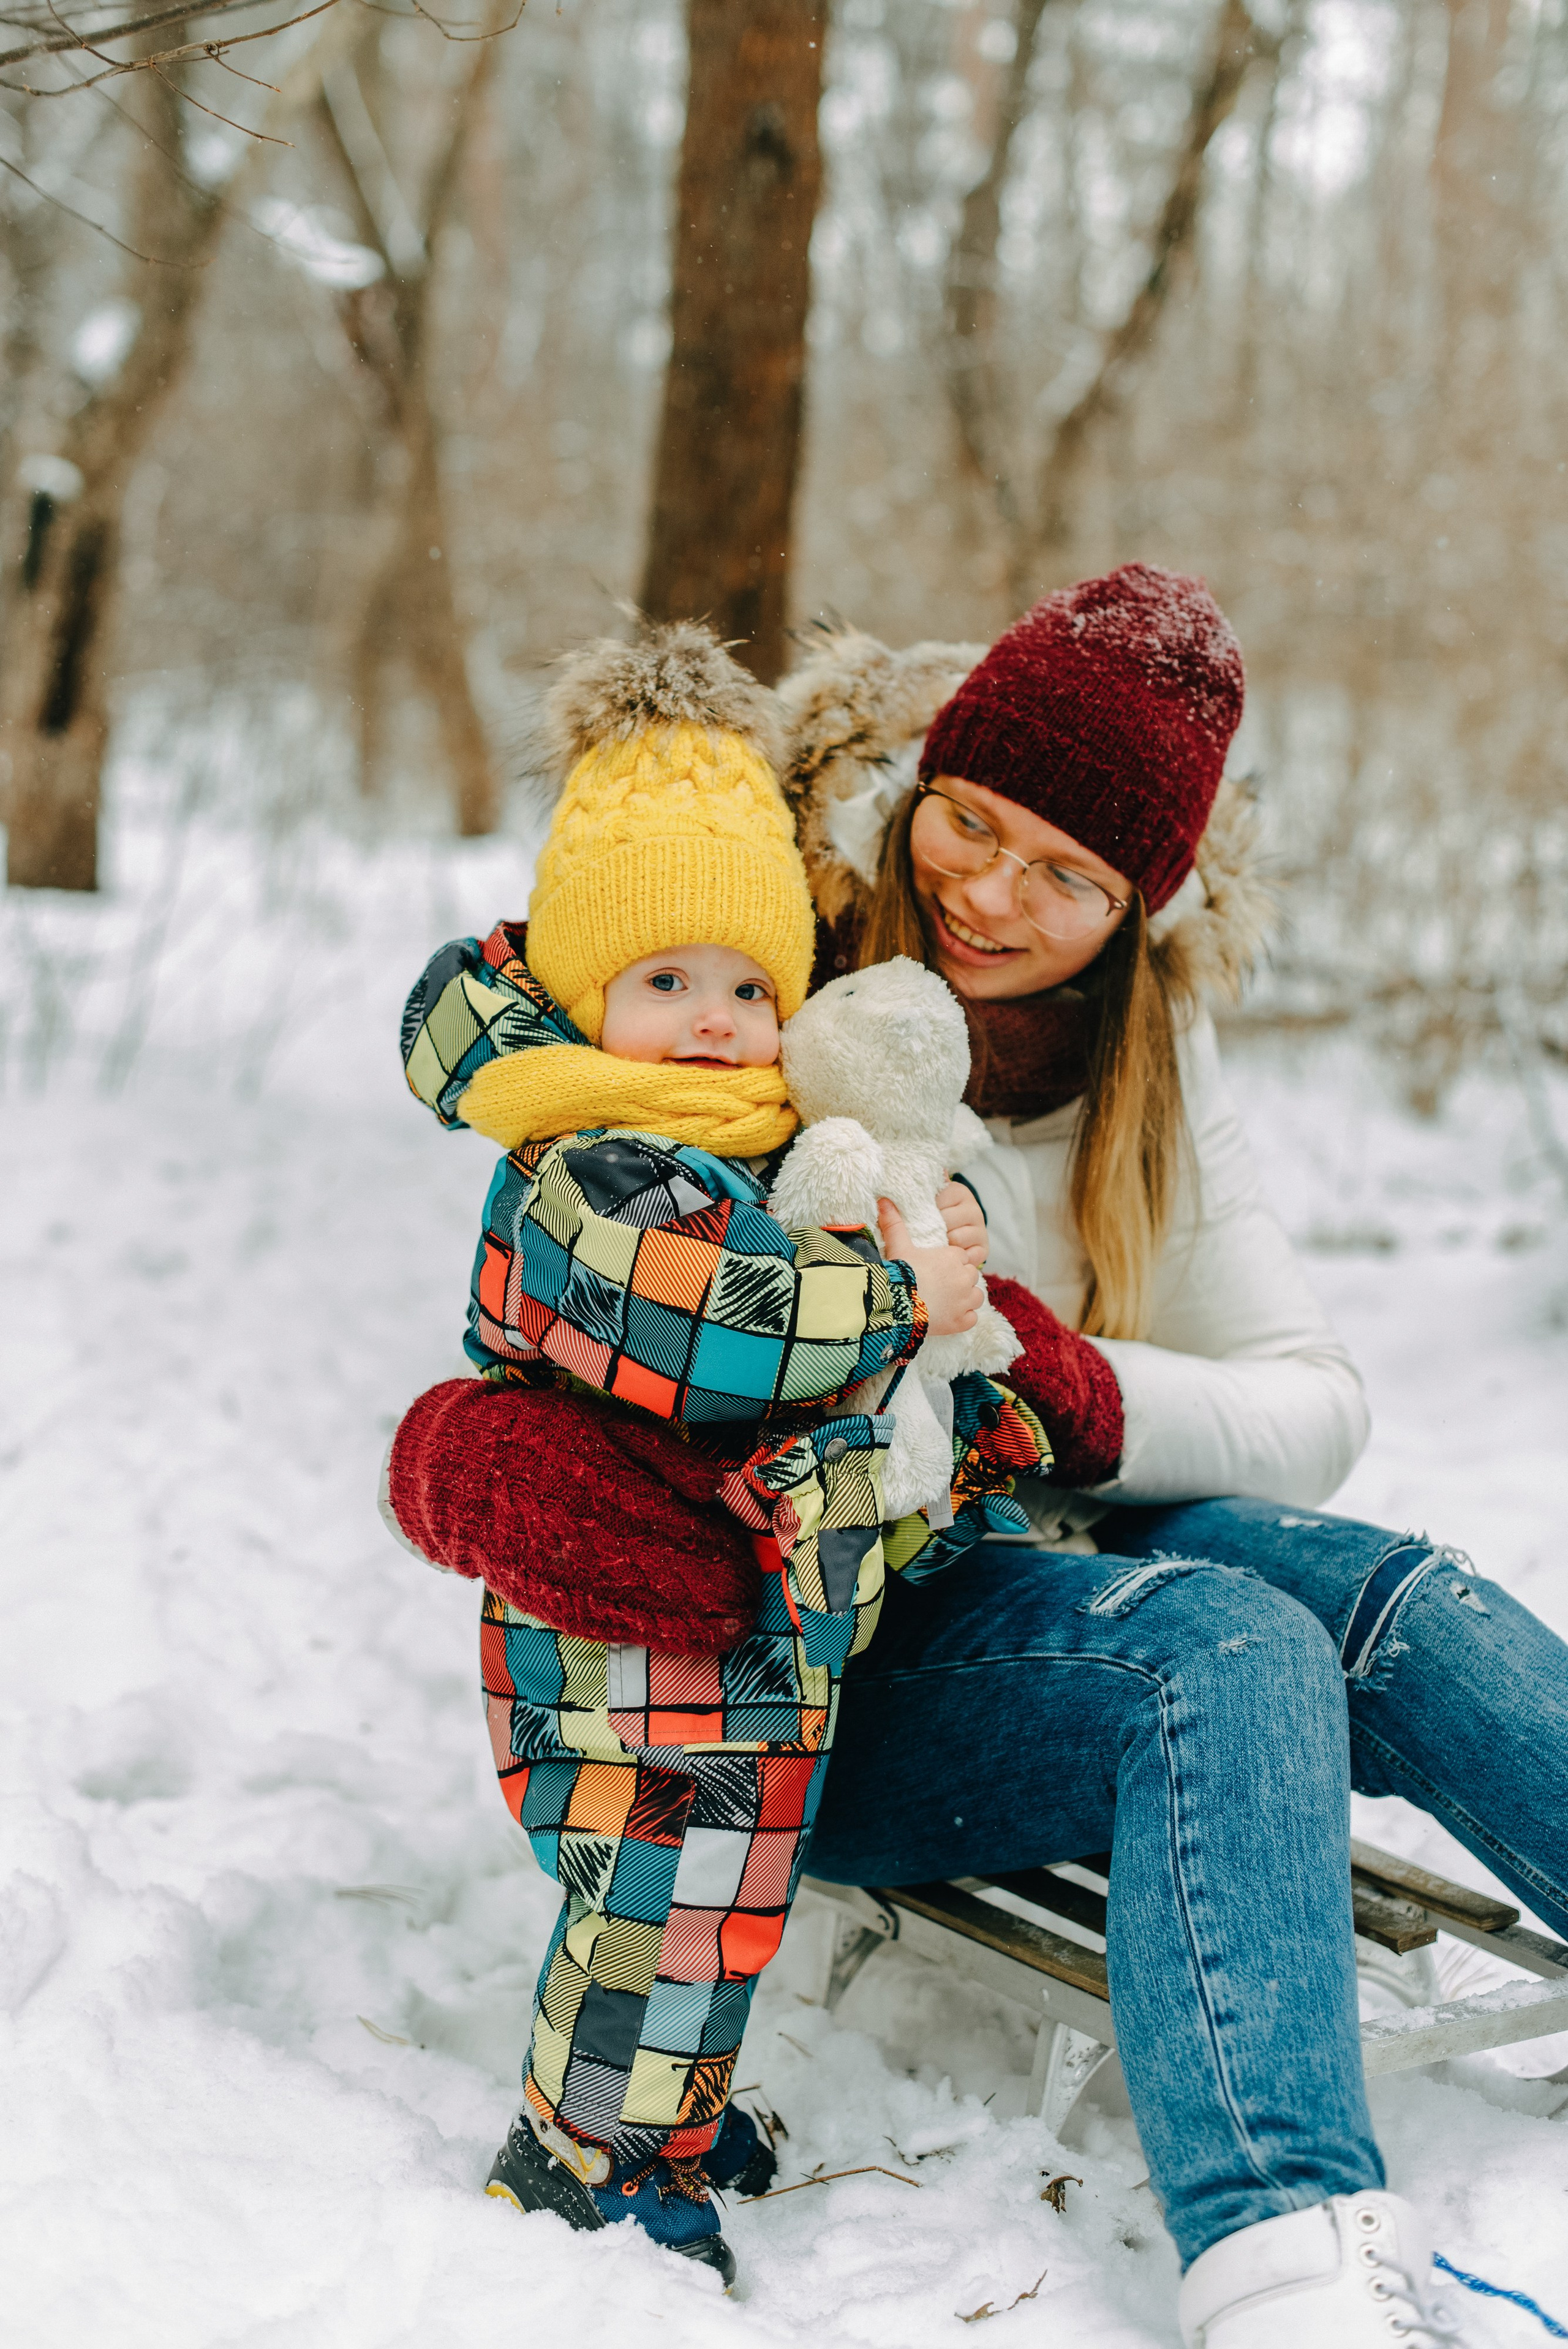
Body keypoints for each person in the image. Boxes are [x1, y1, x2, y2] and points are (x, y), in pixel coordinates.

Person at [390, 567, 1568, 2345]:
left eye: (1070, 875)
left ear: (1141, 907)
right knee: (1224, 1645)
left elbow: (1309, 1401)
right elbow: (579, 1173)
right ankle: (1292, 2253)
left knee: (1380, 1596)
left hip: (992, 1553)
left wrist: (1070, 1379)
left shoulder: (1150, 1054)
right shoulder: (758, 961)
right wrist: (467, 1448)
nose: (990, 891)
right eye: (970, 819)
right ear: (916, 781)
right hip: (796, 1665)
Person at [387, 625, 995, 2288]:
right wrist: (900, 1294)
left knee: (721, 1905)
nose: (714, 1021)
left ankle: (667, 2114)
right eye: (666, 982)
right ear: (593, 990)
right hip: (612, 1641)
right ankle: (582, 2156)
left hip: (731, 1644)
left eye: (747, 986)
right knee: (650, 1899)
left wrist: (934, 1235)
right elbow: (716, 1327)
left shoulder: (744, 1143)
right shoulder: (583, 1160)